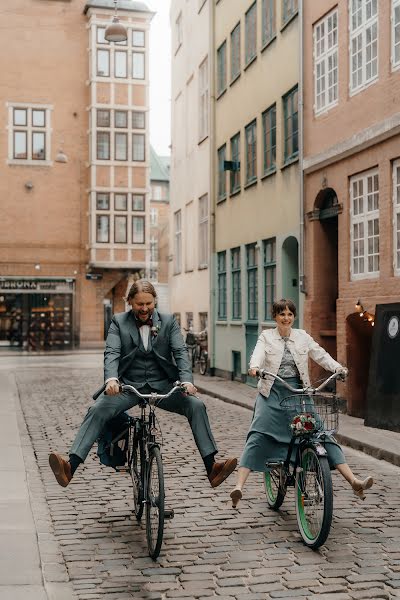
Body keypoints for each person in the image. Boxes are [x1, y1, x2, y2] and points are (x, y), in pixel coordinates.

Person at [49, 280, 237, 489]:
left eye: (149, 303)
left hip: (163, 386)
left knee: (197, 405)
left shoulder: (168, 321)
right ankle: (70, 467)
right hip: (128, 387)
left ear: (154, 301)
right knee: (98, 410)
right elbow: (111, 353)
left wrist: (186, 381)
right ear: (129, 301)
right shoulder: (119, 322)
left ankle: (211, 467)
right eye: (140, 304)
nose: (145, 308)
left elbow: (181, 353)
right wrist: (111, 379)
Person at [229, 298, 373, 508]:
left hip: (299, 392)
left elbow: (319, 354)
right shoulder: (266, 336)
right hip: (272, 392)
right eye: (281, 314)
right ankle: (239, 487)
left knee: (322, 435)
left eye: (289, 314)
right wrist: (255, 367)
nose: (286, 318)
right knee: (258, 434)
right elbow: (258, 355)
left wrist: (337, 368)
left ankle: (354, 481)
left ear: (293, 317)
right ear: (275, 317)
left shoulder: (302, 336)